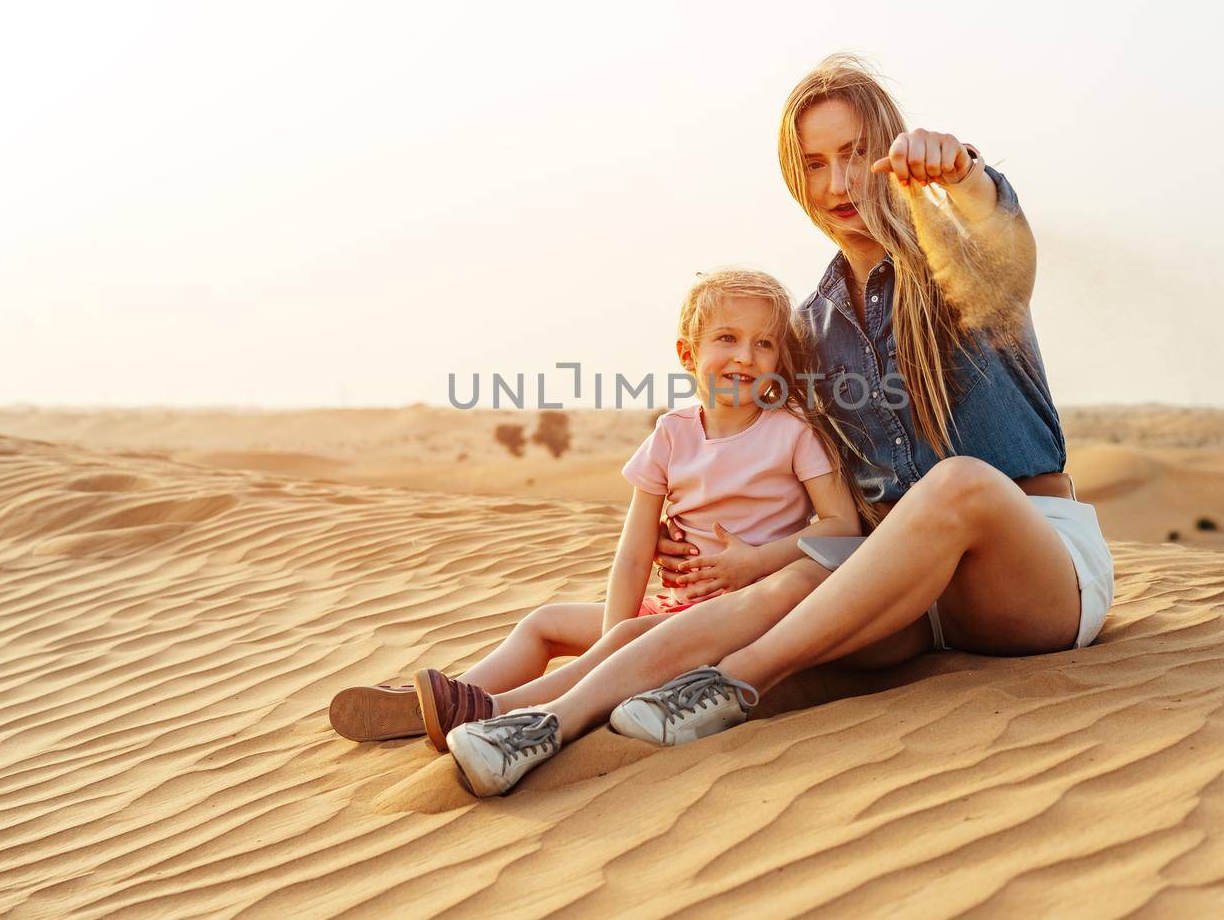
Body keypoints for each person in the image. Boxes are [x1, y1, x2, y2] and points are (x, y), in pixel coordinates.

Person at [445, 54, 1116, 796]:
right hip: (905, 596)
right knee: (773, 592)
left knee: (958, 485)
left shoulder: (960, 262)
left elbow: (1006, 247)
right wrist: (702, 528)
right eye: (816, 163)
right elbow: (780, 464)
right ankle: (528, 718)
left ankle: (733, 684)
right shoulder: (810, 328)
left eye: (857, 153)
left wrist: (963, 175)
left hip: (1030, 574)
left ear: (892, 149)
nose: (838, 184)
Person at [328, 267, 862, 753]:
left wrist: (754, 562)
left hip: (742, 618)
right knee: (546, 624)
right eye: (727, 338)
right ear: (687, 354)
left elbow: (843, 528)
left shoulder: (792, 431)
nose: (745, 355)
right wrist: (609, 636)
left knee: (629, 641)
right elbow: (633, 553)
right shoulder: (671, 435)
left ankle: (505, 712)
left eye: (763, 343)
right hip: (669, 608)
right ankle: (456, 696)